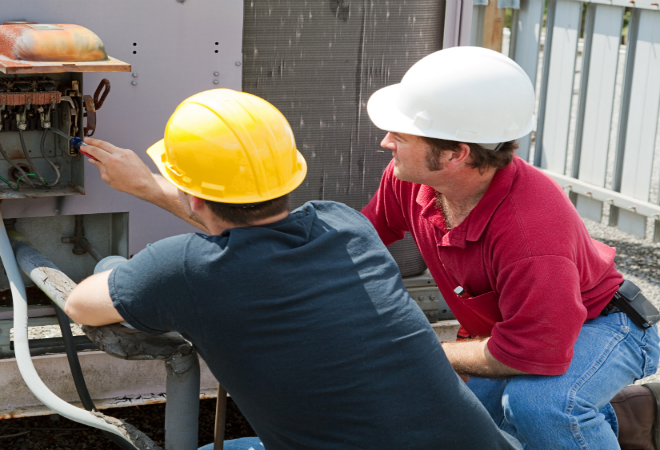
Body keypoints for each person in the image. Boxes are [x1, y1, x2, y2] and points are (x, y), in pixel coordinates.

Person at [64, 89, 520, 449]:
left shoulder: (183, 268)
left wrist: (123, 270)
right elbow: (257, 233)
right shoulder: (345, 224)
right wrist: (149, 187)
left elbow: (80, 303)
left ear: (195, 197)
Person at [361, 45, 660, 449]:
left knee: (540, 405)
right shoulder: (410, 179)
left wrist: (428, 350)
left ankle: (593, 412)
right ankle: (631, 418)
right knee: (458, 420)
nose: (386, 142)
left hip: (606, 325)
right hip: (522, 330)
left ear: (455, 154)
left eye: (399, 134)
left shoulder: (530, 230)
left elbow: (533, 349)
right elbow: (360, 240)